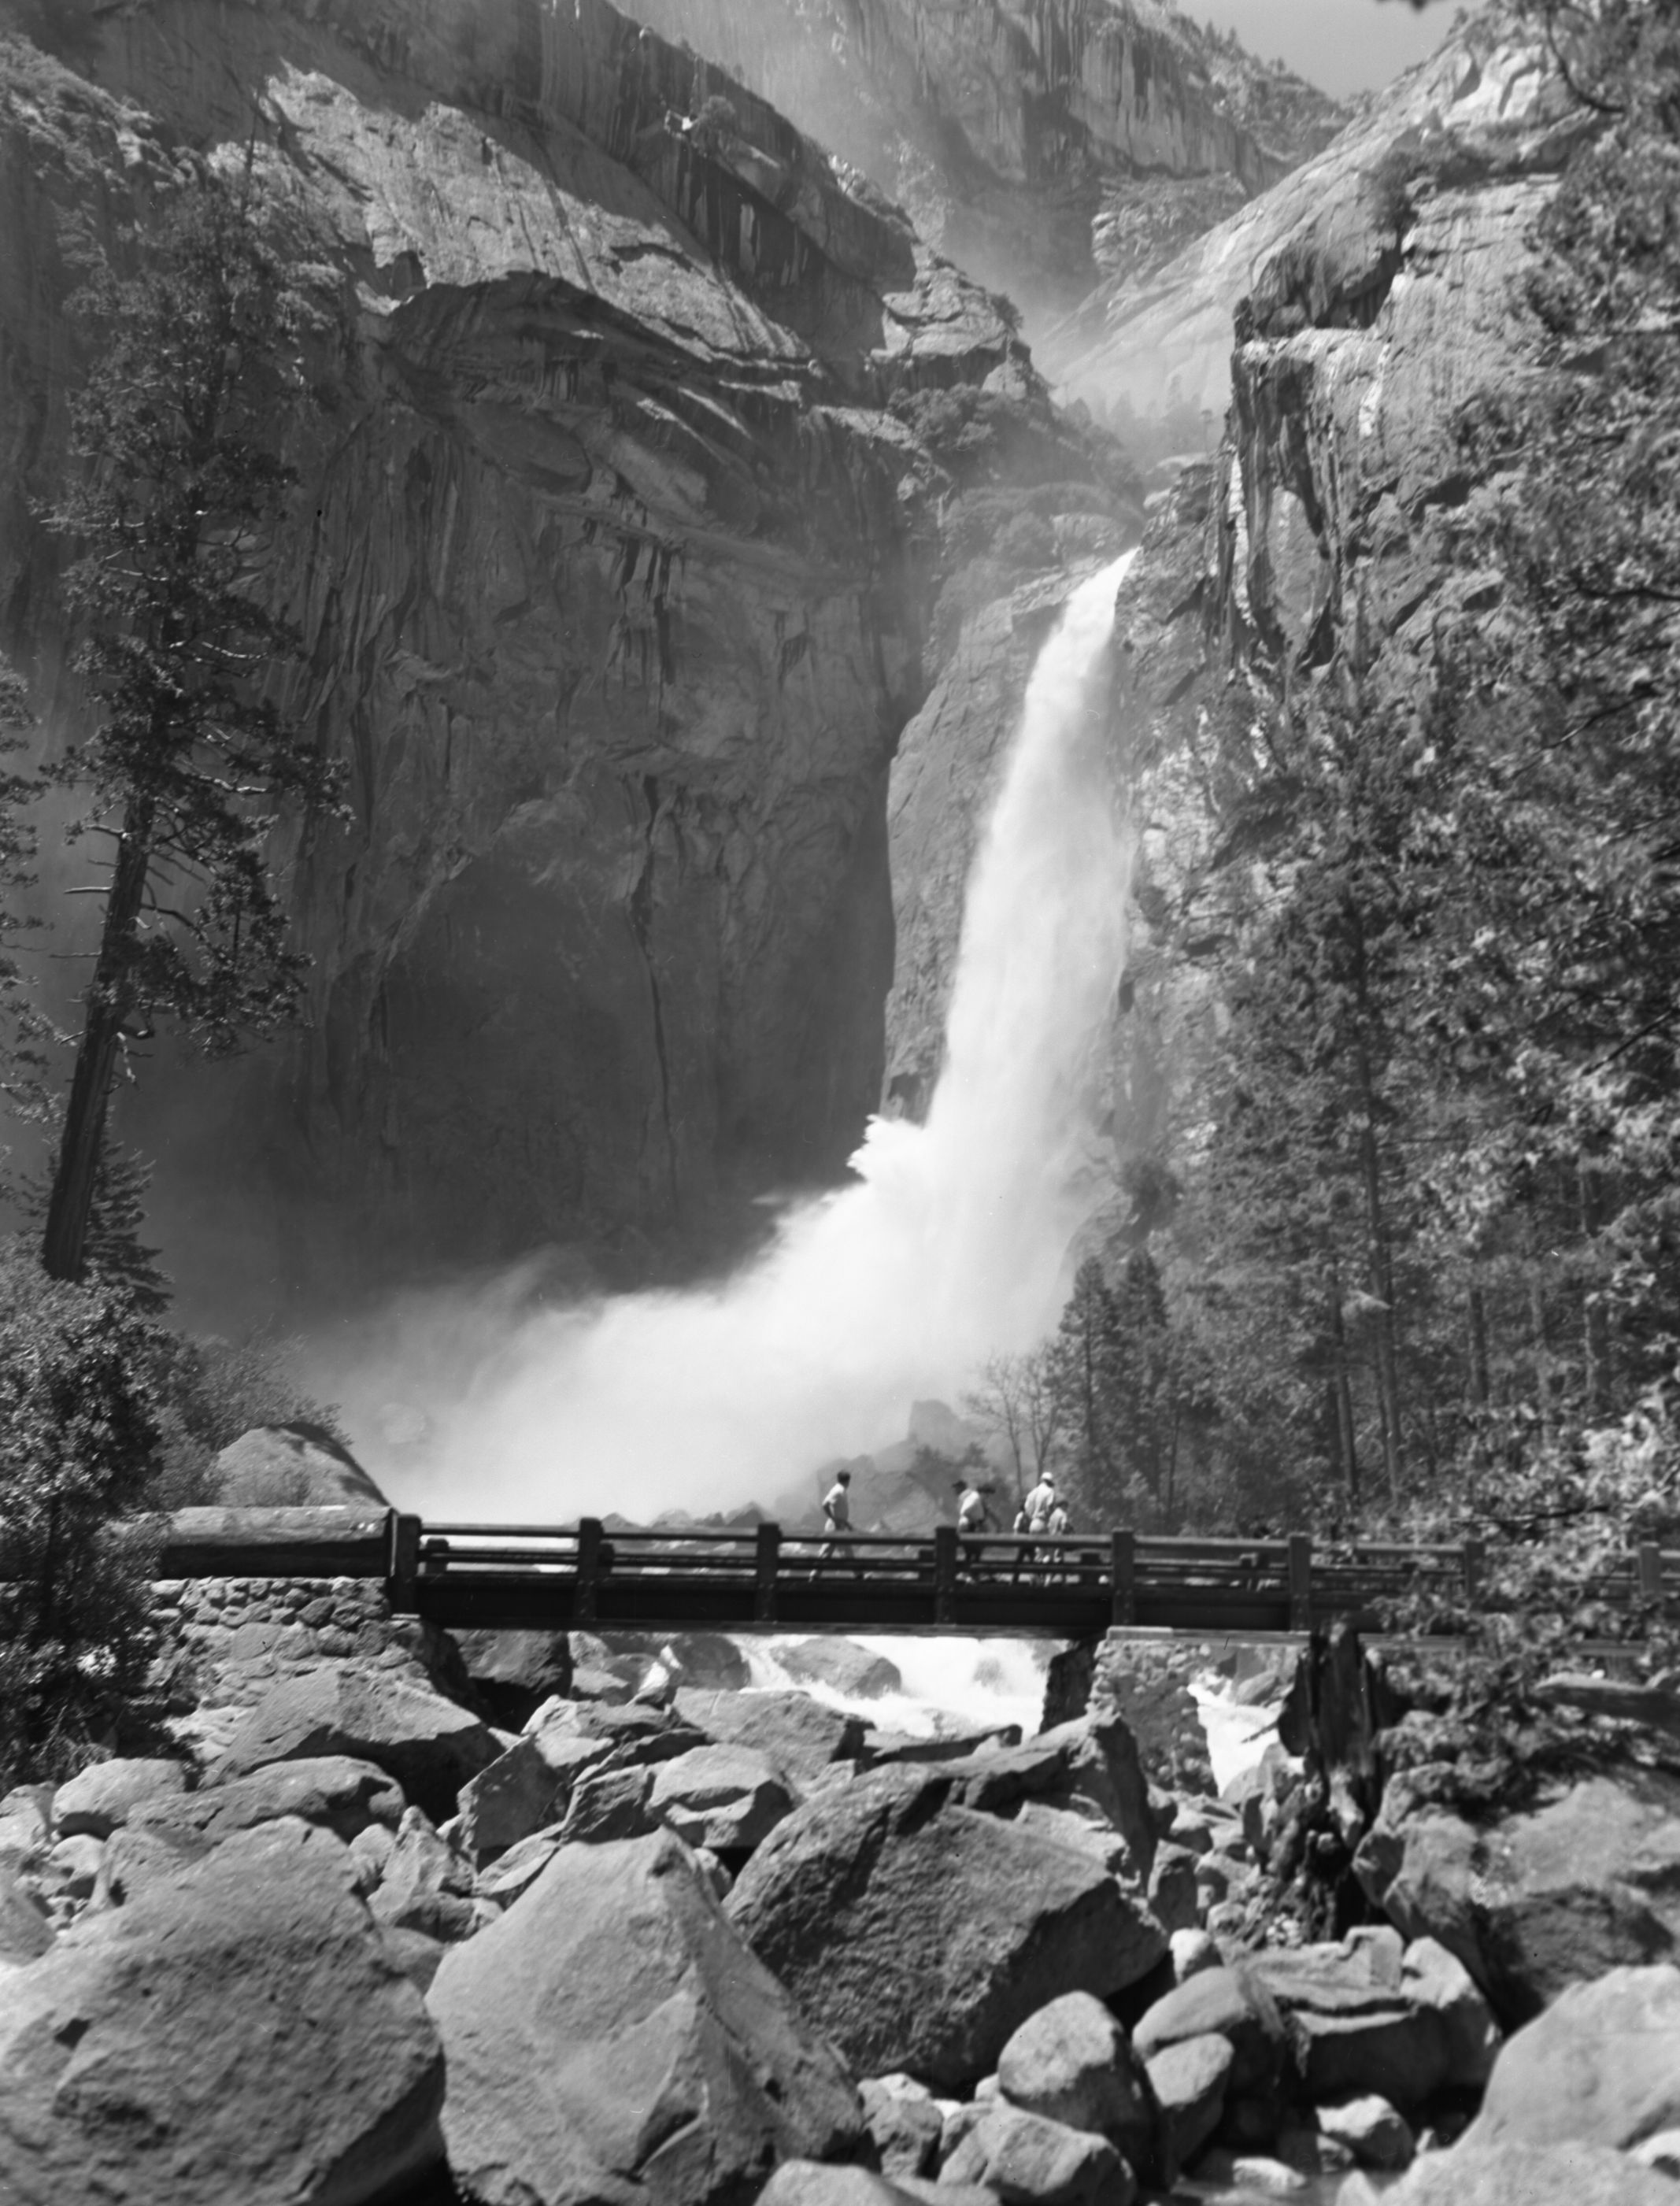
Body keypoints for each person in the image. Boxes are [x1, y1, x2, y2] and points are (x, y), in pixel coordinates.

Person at [810, 1468, 863, 1581]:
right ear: (848, 1481)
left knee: (830, 1552)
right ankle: (859, 1575)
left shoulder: (840, 1491)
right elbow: (825, 1505)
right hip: (834, 1527)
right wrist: (834, 1519)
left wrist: (846, 1524)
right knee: (841, 1551)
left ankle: (814, 1576)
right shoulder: (838, 1491)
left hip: (838, 1526)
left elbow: (839, 1510)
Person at [1015, 1468, 1057, 1581]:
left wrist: (1034, 1515)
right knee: (1048, 1553)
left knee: (1038, 1552)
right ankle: (1044, 1577)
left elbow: (1027, 1509)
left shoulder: (1033, 1492)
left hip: (1033, 1524)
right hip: (1044, 1523)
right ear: (1050, 1482)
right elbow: (1050, 1508)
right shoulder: (1050, 1492)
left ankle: (1035, 1578)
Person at [954, 1476, 991, 1578]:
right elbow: (964, 1511)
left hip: (970, 1527)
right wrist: (978, 1523)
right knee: (975, 1552)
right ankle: (970, 1574)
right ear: (983, 1492)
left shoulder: (976, 1498)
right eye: (987, 1494)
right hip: (969, 1527)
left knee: (972, 1553)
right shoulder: (975, 1498)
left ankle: (967, 1574)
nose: (988, 1497)